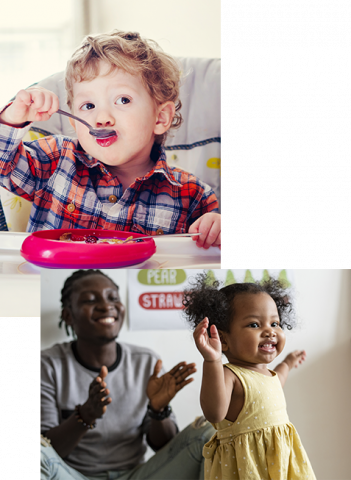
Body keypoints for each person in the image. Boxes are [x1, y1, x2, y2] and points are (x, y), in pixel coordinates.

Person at [0, 30, 220, 249]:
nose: (102, 118)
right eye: (88, 106)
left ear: (160, 117)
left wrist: (215, 231)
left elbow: (210, 262)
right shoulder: (55, 159)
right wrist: (13, 117)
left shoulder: (193, 195)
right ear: (75, 123)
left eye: (123, 100)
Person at [40, 269, 214, 480]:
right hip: (72, 476)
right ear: (68, 315)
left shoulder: (146, 362)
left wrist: (158, 410)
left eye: (113, 298)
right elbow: (48, 449)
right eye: (90, 300)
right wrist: (84, 415)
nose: (106, 306)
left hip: (137, 476)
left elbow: (166, 447)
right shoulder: (48, 364)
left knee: (208, 433)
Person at [182, 273, 316, 480]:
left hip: (280, 466)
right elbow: (215, 413)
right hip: (247, 469)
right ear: (223, 340)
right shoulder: (230, 375)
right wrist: (212, 361)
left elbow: (276, 383)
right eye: (255, 325)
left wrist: (287, 364)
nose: (270, 332)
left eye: (275, 324)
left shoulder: (266, 374)